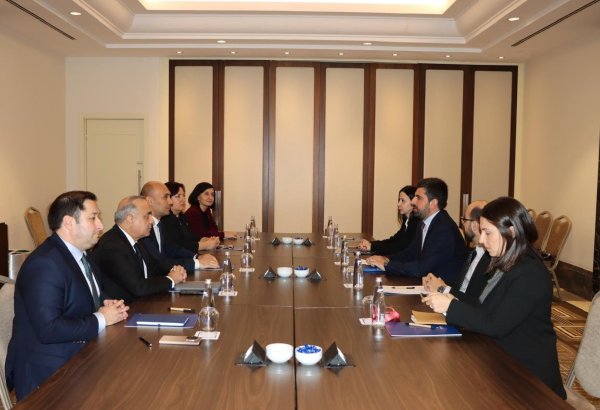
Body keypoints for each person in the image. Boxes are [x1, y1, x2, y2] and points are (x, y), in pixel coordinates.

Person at [423, 197, 566, 399]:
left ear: (511, 232)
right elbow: (483, 306)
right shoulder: (509, 262)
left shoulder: (530, 273)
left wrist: (451, 306)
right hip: (501, 361)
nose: (481, 240)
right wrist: (448, 296)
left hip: (530, 380)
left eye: (487, 233)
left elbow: (495, 324)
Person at [6, 191, 129, 400]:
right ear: (69, 223)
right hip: (49, 372)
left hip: (80, 354)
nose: (101, 225)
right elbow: (49, 329)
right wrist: (102, 318)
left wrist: (104, 303)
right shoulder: (45, 264)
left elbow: (82, 298)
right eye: (93, 218)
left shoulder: (83, 254)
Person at [366, 178, 467, 283]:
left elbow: (422, 268)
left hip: (444, 287)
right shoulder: (423, 222)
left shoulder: (443, 228)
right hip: (427, 282)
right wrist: (386, 259)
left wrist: (387, 265)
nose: (413, 201)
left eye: (418, 198)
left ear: (433, 203)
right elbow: (410, 253)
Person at [90, 196, 187, 303]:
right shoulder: (112, 246)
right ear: (130, 219)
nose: (152, 221)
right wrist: (171, 279)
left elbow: (155, 267)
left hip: (144, 303)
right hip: (127, 308)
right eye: (147, 216)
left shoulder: (137, 240)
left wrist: (175, 270)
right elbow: (138, 287)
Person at [139, 181, 219, 272]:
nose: (170, 202)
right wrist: (197, 263)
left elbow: (172, 249)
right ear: (149, 201)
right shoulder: (144, 228)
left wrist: (197, 257)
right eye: (166, 197)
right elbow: (158, 263)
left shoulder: (159, 223)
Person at [422, 200, 490, 305]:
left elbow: (475, 301)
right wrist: (436, 283)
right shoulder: (472, 254)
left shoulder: (489, 260)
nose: (462, 223)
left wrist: (442, 288)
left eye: (464, 220)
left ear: (474, 226)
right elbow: (459, 287)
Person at [161, 181, 220, 253]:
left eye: (183, 195)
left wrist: (203, 239)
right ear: (168, 199)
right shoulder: (166, 219)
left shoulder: (181, 216)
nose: (183, 199)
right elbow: (178, 246)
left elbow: (189, 237)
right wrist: (206, 245)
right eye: (178, 196)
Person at [358, 185, 418, 255]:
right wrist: (370, 243)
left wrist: (372, 247)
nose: (398, 204)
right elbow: (393, 240)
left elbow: (400, 247)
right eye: (399, 200)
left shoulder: (416, 223)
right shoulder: (406, 220)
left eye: (403, 201)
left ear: (413, 202)